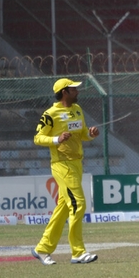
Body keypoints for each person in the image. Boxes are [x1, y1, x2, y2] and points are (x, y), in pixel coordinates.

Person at [32, 78, 99, 265]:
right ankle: (78, 252)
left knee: (63, 209)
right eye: (74, 89)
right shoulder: (50, 114)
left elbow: (83, 133)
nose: (78, 91)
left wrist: (90, 134)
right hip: (62, 165)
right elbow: (38, 138)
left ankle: (42, 248)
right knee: (78, 204)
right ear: (64, 92)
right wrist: (57, 139)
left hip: (77, 163)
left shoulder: (77, 110)